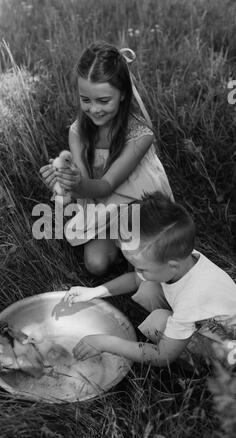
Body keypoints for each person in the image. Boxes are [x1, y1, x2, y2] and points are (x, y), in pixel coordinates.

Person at [40, 41, 173, 276]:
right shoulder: (78, 132)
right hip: (103, 204)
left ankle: (135, 249)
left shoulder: (140, 135)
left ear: (123, 94)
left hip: (139, 204)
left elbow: (106, 185)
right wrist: (65, 183)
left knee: (151, 262)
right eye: (86, 100)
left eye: (104, 101)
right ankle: (118, 242)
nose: (94, 109)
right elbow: (87, 188)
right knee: (96, 264)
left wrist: (78, 184)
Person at [64, 193, 236, 368]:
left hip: (227, 349)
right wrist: (94, 292)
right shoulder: (180, 260)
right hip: (200, 319)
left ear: (172, 265)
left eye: (142, 268)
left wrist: (105, 343)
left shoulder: (193, 298)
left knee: (158, 322)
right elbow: (135, 279)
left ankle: (200, 366)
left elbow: (162, 357)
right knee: (148, 287)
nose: (137, 272)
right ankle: (176, 328)